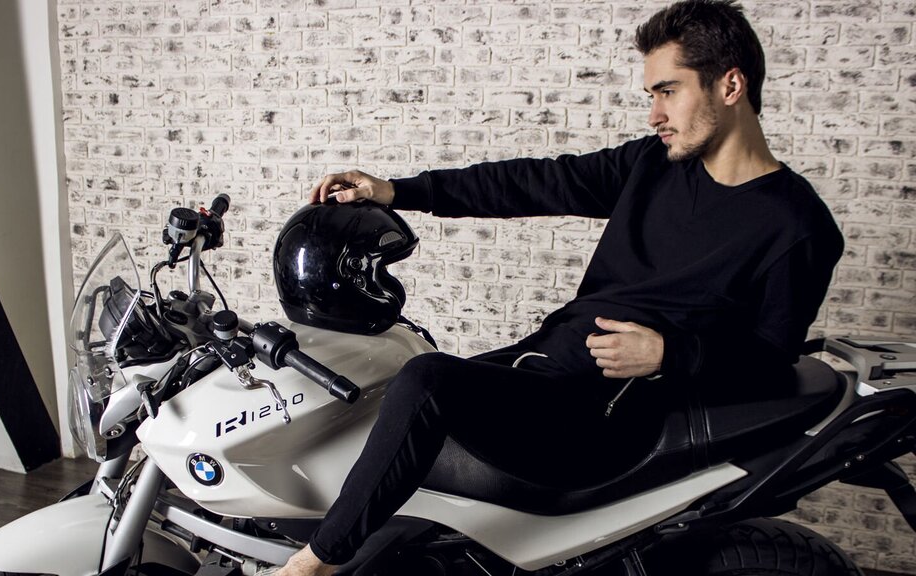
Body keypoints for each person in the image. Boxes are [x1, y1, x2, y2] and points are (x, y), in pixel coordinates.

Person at [265, 1, 844, 574]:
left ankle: (312, 565)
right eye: (652, 95)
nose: (654, 114)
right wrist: (398, 191)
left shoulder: (797, 226)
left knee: (427, 380)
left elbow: (772, 360)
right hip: (546, 366)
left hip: (604, 417)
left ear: (730, 85)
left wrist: (670, 354)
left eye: (668, 91)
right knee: (382, 399)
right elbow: (533, 182)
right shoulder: (656, 165)